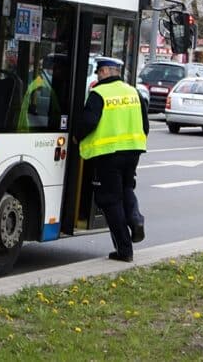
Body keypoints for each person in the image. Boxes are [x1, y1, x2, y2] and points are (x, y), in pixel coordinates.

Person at [77, 56, 148, 263]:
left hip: (108, 155)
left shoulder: (98, 93)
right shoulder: (133, 92)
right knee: (127, 189)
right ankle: (136, 220)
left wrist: (76, 137)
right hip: (133, 152)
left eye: (100, 72)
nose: (98, 75)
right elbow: (145, 125)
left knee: (110, 201)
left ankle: (124, 250)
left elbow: (89, 122)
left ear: (107, 71)